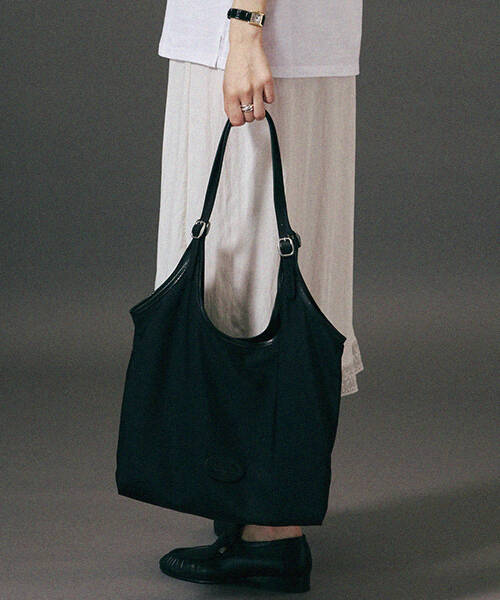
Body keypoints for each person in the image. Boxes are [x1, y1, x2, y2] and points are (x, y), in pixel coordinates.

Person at [154, 0, 364, 593]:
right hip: (281, 41)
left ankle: (271, 533)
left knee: (249, 276)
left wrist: (246, 26)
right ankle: (256, 508)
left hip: (255, 38)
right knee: (266, 273)